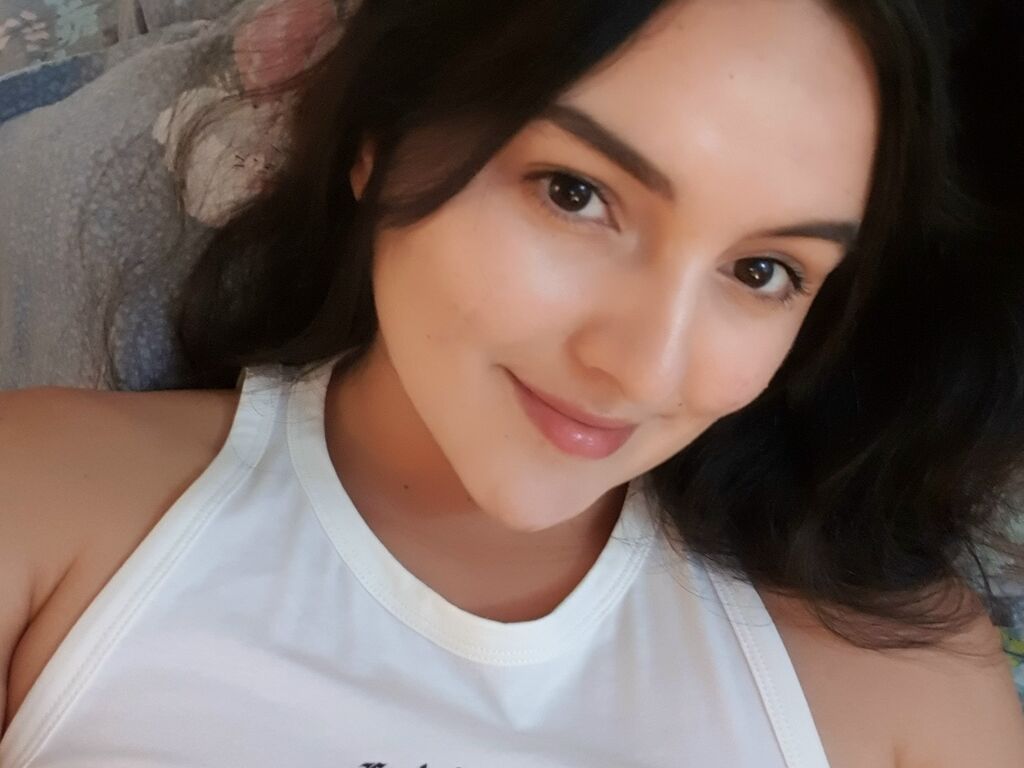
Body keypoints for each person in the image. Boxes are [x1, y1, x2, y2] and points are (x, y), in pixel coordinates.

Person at [1, 0, 1023, 765]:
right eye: (575, 194)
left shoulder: (907, 680)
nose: (644, 367)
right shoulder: (42, 504)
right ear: (379, 141)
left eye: (762, 271)